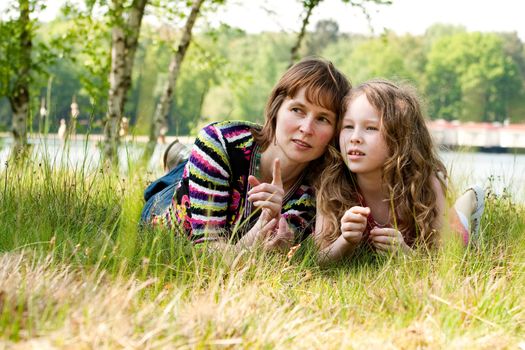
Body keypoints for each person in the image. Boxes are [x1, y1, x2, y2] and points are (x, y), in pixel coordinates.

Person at [141, 57, 351, 251]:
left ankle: (184, 159)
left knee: (203, 167)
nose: (306, 128)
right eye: (297, 110)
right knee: (198, 165)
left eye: (323, 119)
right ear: (277, 108)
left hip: (225, 176)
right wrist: (260, 232)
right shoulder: (220, 141)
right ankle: (185, 162)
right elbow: (207, 253)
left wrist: (270, 236)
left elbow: (248, 257)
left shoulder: (318, 191)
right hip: (167, 204)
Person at [314, 79, 484, 262]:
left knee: (458, 231)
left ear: (399, 138)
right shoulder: (331, 185)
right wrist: (345, 241)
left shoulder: (424, 184)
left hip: (446, 228)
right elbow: (320, 258)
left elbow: (446, 258)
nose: (355, 138)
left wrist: (406, 254)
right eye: (348, 127)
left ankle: (471, 199)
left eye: (371, 128)